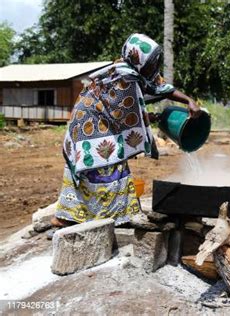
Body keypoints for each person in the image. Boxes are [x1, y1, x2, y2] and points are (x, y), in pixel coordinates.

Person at [51, 33, 200, 227]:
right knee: (105, 161)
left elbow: (160, 87)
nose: (153, 66)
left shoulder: (137, 70)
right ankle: (95, 220)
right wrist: (152, 117)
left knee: (105, 163)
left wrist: (189, 100)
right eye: (151, 62)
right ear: (137, 59)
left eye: (155, 61)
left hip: (102, 118)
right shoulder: (123, 78)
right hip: (90, 123)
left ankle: (81, 216)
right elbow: (124, 116)